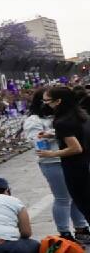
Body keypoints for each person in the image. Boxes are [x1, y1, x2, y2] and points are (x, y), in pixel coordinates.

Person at [23, 89, 90, 241]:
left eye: (49, 100)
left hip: (69, 160)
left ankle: (81, 227)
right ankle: (64, 231)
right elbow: (37, 142)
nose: (47, 104)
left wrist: (55, 134)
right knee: (63, 198)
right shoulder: (35, 120)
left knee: (77, 196)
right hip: (52, 162)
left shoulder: (63, 117)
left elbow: (69, 134)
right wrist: (54, 138)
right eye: (44, 101)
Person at [37, 86, 90, 221]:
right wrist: (54, 135)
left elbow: (76, 148)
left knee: (84, 203)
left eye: (47, 101)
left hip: (76, 168)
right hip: (86, 163)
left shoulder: (61, 122)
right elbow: (78, 135)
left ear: (58, 101)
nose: (45, 104)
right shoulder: (81, 115)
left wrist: (51, 154)